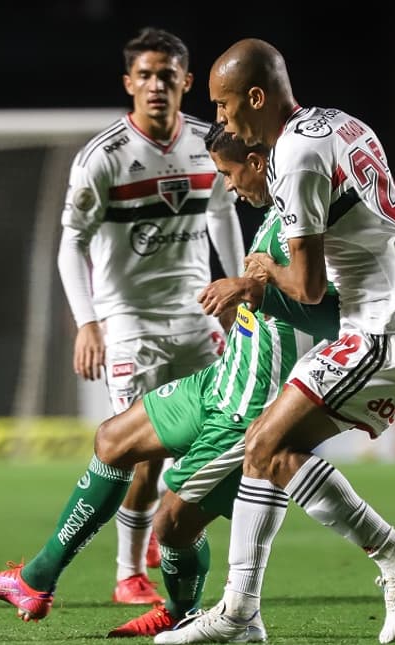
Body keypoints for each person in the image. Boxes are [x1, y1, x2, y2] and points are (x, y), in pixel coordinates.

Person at [0, 125, 340, 638]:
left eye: (229, 175)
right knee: (113, 438)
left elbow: (328, 310)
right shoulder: (278, 210)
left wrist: (256, 283)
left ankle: (185, 612)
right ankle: (35, 580)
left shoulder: (313, 223)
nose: (228, 188)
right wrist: (243, 296)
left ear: (256, 161)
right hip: (219, 381)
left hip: (252, 408)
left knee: (171, 526)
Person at [154, 39, 395, 645]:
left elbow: (308, 287)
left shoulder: (293, 155)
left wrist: (260, 270)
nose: (221, 120)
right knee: (278, 453)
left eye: (224, 105)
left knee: (262, 440)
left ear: (256, 97)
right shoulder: (340, 123)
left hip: (385, 327)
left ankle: (244, 613)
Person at [53, 27, 246, 605]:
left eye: (168, 75)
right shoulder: (104, 156)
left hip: (194, 317)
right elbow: (71, 244)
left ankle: (169, 540)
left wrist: (233, 291)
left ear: (187, 82)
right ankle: (127, 573)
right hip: (129, 323)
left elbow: (222, 216)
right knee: (141, 451)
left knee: (212, 438)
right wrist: (88, 322)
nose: (156, 85)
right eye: (145, 75)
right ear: (128, 84)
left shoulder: (209, 143)